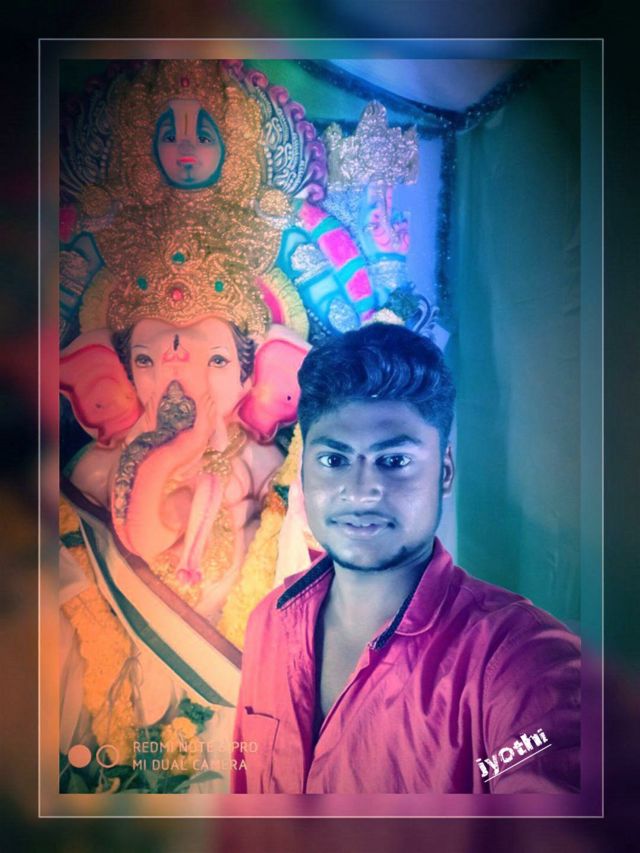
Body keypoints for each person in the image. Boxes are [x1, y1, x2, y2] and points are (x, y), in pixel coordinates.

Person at [231, 323, 580, 794]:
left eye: (394, 461)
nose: (360, 491)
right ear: (304, 473)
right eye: (333, 460)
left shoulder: (518, 662)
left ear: (445, 471)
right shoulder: (268, 624)